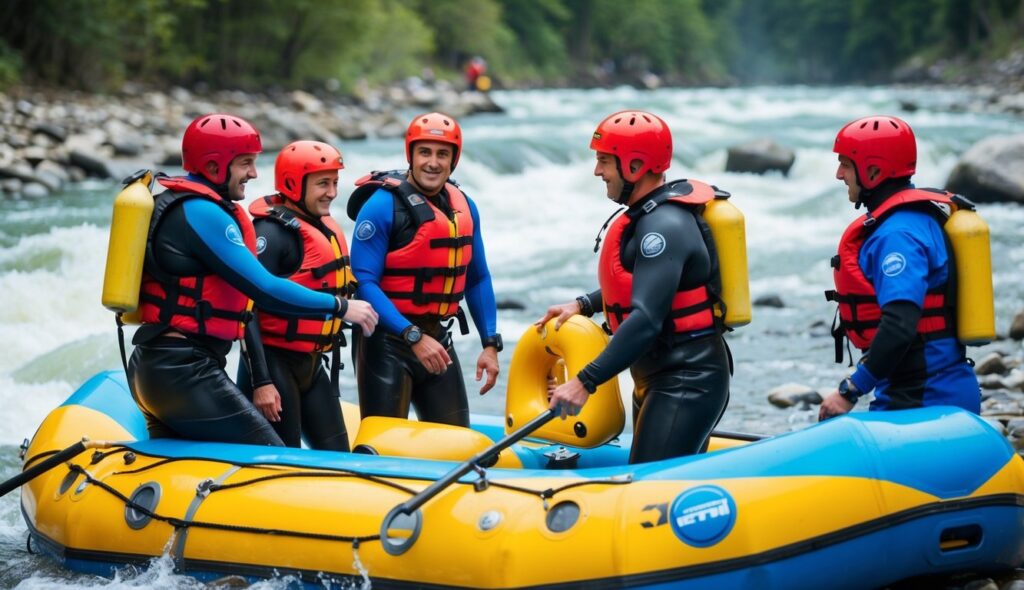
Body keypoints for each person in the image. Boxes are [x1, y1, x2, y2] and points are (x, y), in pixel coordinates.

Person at [128, 114, 378, 446]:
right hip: (181, 372)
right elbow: (266, 289)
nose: (254, 173)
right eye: (245, 163)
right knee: (276, 460)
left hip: (162, 367)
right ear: (216, 167)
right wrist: (341, 306)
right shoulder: (202, 212)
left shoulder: (191, 205)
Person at [537, 110, 731, 464]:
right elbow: (646, 285)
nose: (597, 171)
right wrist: (582, 304)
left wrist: (584, 381)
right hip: (659, 376)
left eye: (604, 161)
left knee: (650, 487)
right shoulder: (648, 217)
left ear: (636, 166)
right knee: (653, 478)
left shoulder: (665, 226)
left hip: (687, 380)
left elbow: (647, 319)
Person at [819, 115, 981, 420]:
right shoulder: (913, 219)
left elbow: (900, 324)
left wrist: (850, 391)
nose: (839, 174)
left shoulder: (897, 235)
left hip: (926, 399)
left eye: (845, 164)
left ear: (874, 170)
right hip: (923, 392)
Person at [348, 112, 501, 427]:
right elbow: (364, 283)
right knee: (385, 443)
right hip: (386, 341)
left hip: (437, 338)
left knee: (457, 442)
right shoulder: (380, 206)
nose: (433, 162)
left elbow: (478, 278)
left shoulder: (465, 205)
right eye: (425, 152)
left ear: (453, 161)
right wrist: (412, 335)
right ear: (411, 155)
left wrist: (490, 343)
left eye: (442, 154)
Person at [236, 140, 357, 450]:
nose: (332, 192)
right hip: (273, 365)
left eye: (335, 182)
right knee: (286, 459)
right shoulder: (271, 233)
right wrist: (261, 383)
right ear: (293, 184)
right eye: (322, 184)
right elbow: (245, 312)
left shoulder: (321, 225)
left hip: (312, 363)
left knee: (338, 457)